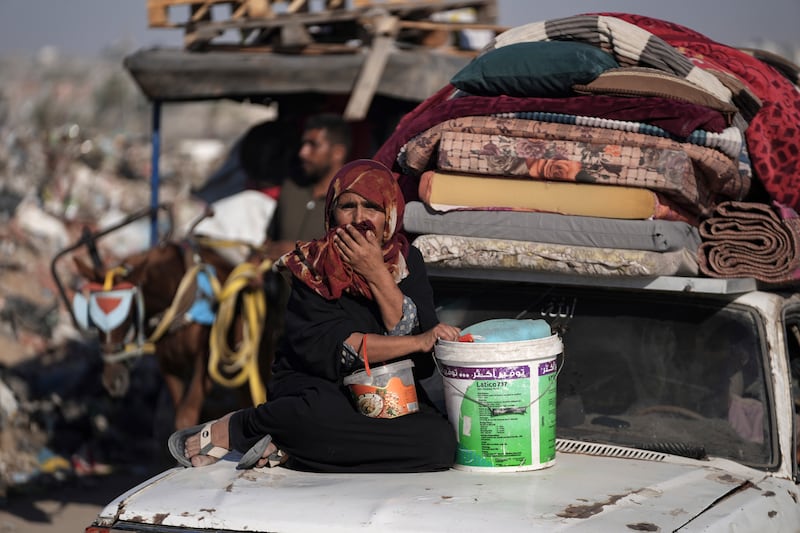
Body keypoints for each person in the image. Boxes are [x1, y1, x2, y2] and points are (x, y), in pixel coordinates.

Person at [173, 159, 461, 472]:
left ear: (390, 213)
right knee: (317, 414)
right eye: (347, 206)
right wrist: (418, 342)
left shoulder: (408, 261)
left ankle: (291, 450)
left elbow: (420, 363)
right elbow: (340, 349)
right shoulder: (311, 266)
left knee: (439, 443)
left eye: (372, 207)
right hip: (320, 388)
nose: (359, 218)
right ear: (331, 212)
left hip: (389, 391)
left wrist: (377, 274)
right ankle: (240, 425)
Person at [265, 113, 352, 260]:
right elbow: (270, 239)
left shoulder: (351, 201)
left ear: (338, 153)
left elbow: (352, 261)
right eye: (303, 144)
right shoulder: (291, 188)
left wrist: (304, 253)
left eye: (313, 145)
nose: (303, 153)